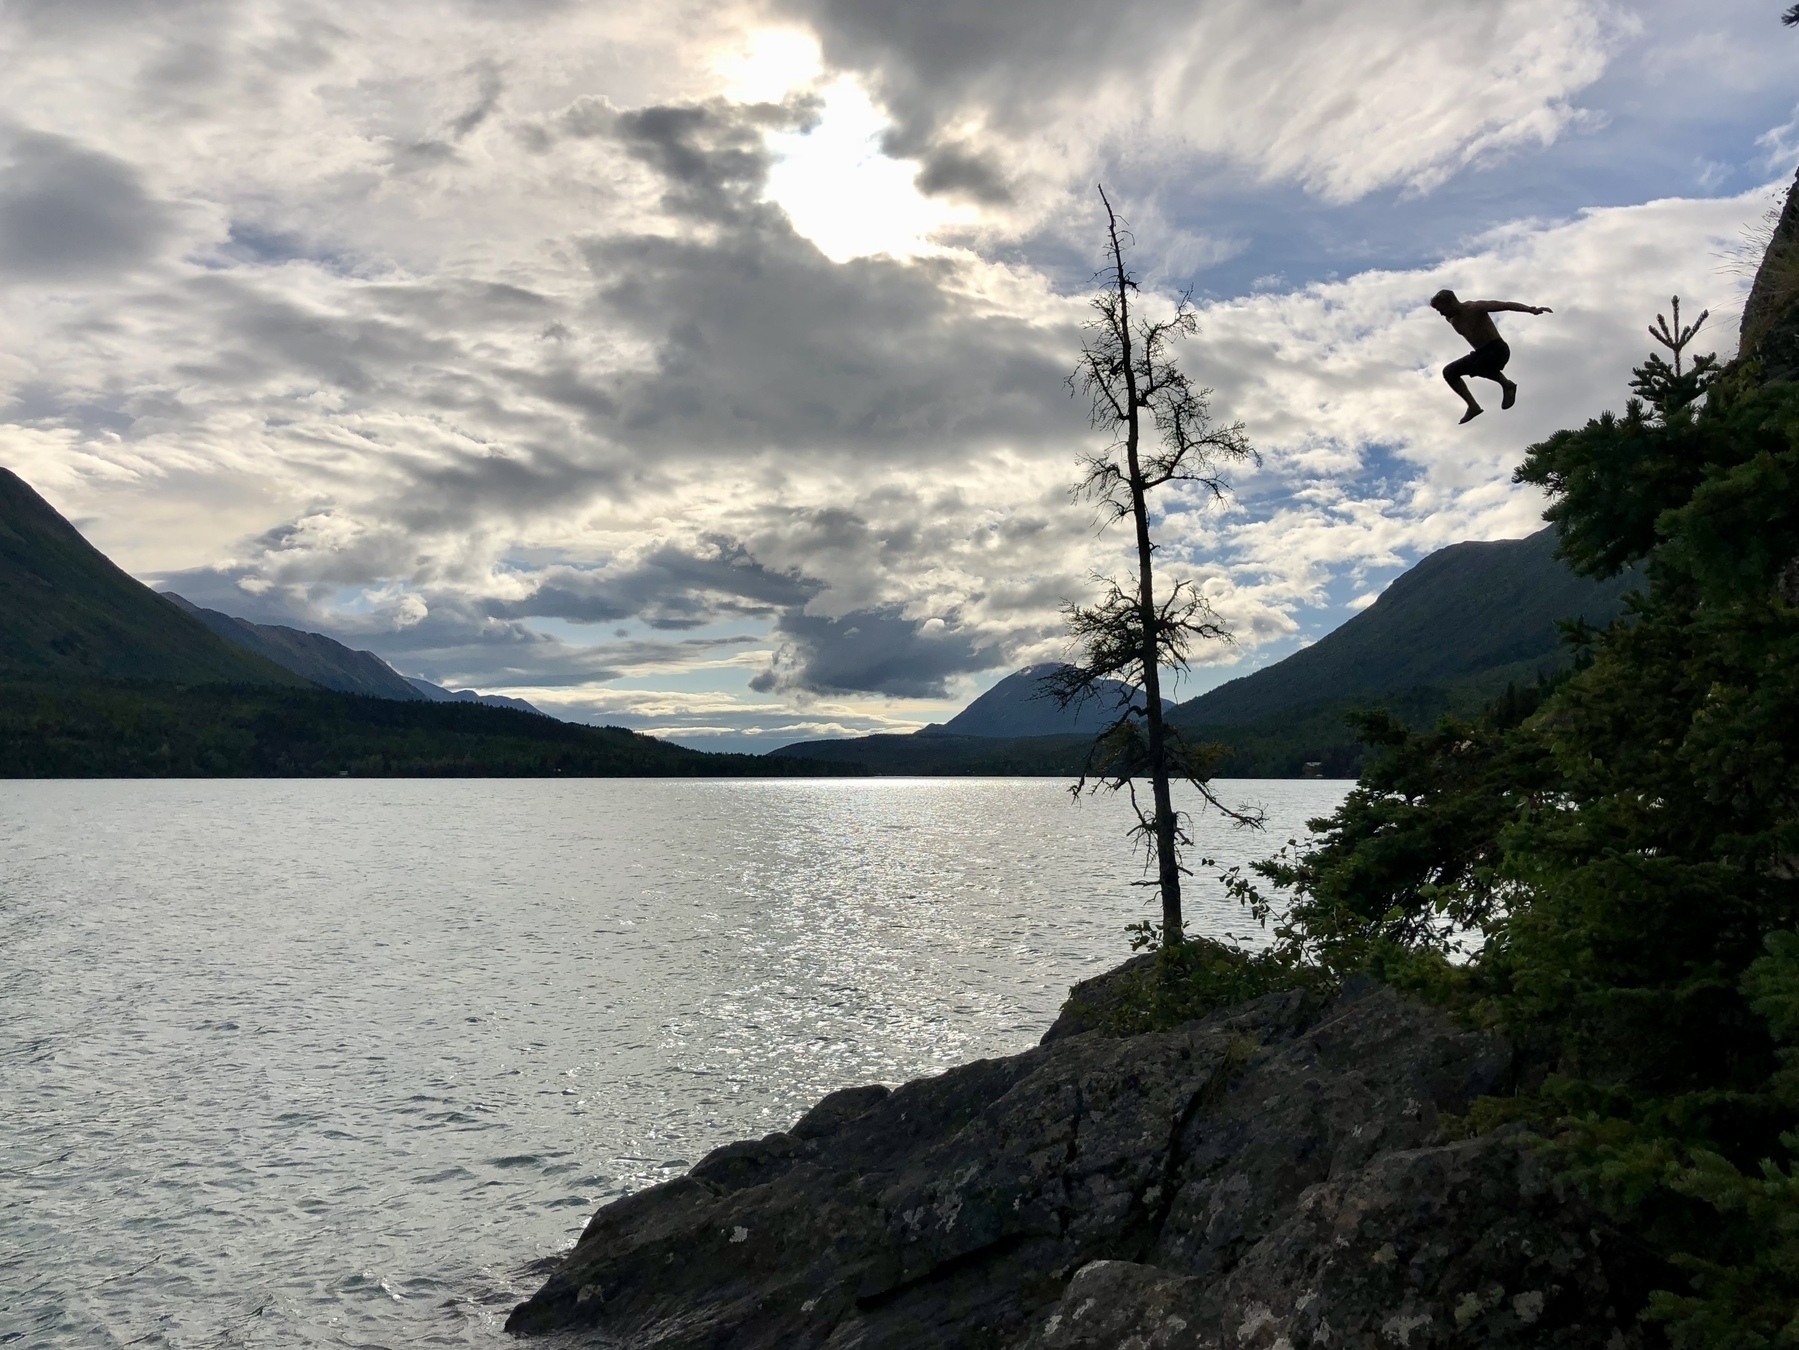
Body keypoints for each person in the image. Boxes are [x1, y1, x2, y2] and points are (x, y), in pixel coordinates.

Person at [1430, 289, 1552, 424]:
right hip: (1480, 353)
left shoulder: (1475, 307)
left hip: (1498, 349)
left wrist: (1531, 309)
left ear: (1450, 302)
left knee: (1480, 363)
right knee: (1449, 371)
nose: (1441, 314)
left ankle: (1507, 385)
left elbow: (1506, 305)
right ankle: (1473, 406)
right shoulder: (1451, 319)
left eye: (1441, 309)